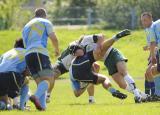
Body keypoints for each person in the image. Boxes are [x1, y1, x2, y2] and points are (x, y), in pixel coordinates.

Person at [69, 30, 131, 101]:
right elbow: (97, 62)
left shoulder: (73, 75)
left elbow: (77, 94)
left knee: (77, 92)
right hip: (81, 66)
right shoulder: (84, 52)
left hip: (74, 74)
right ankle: (115, 37)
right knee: (104, 77)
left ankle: (113, 92)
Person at [47, 34, 104, 103]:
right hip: (63, 64)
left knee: (95, 68)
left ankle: (91, 99)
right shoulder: (74, 45)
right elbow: (100, 36)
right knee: (52, 75)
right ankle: (47, 95)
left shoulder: (88, 48)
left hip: (76, 68)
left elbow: (101, 37)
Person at [22, 8, 59, 111]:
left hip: (28, 55)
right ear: (45, 15)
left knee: (40, 83)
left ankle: (42, 108)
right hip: (39, 52)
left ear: (35, 15)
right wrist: (57, 50)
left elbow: (25, 44)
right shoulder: (45, 22)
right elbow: (53, 38)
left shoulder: (26, 26)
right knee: (49, 79)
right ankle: (35, 96)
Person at [0, 38, 28, 110]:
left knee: (4, 104)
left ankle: (7, 104)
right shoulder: (27, 52)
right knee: (26, 80)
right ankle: (19, 106)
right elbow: (27, 72)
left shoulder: (6, 53)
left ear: (15, 45)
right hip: (12, 75)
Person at [141, 12, 160, 100]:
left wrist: (153, 55)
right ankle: (148, 95)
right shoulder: (147, 29)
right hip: (154, 53)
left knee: (150, 71)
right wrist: (149, 51)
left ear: (151, 19)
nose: (143, 22)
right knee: (147, 73)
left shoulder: (153, 27)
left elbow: (154, 43)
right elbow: (152, 43)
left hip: (156, 53)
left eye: (145, 20)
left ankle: (154, 94)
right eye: (142, 21)